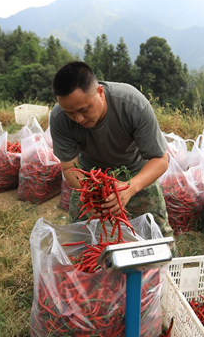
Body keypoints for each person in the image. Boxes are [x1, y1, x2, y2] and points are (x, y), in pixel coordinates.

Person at [50, 61, 173, 237]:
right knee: (82, 237)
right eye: (70, 112)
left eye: (84, 109)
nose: (78, 118)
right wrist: (93, 193)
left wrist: (130, 187)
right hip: (90, 178)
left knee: (157, 234)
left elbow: (160, 160)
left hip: (135, 173)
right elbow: (70, 168)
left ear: (100, 92)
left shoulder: (132, 104)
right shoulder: (59, 117)